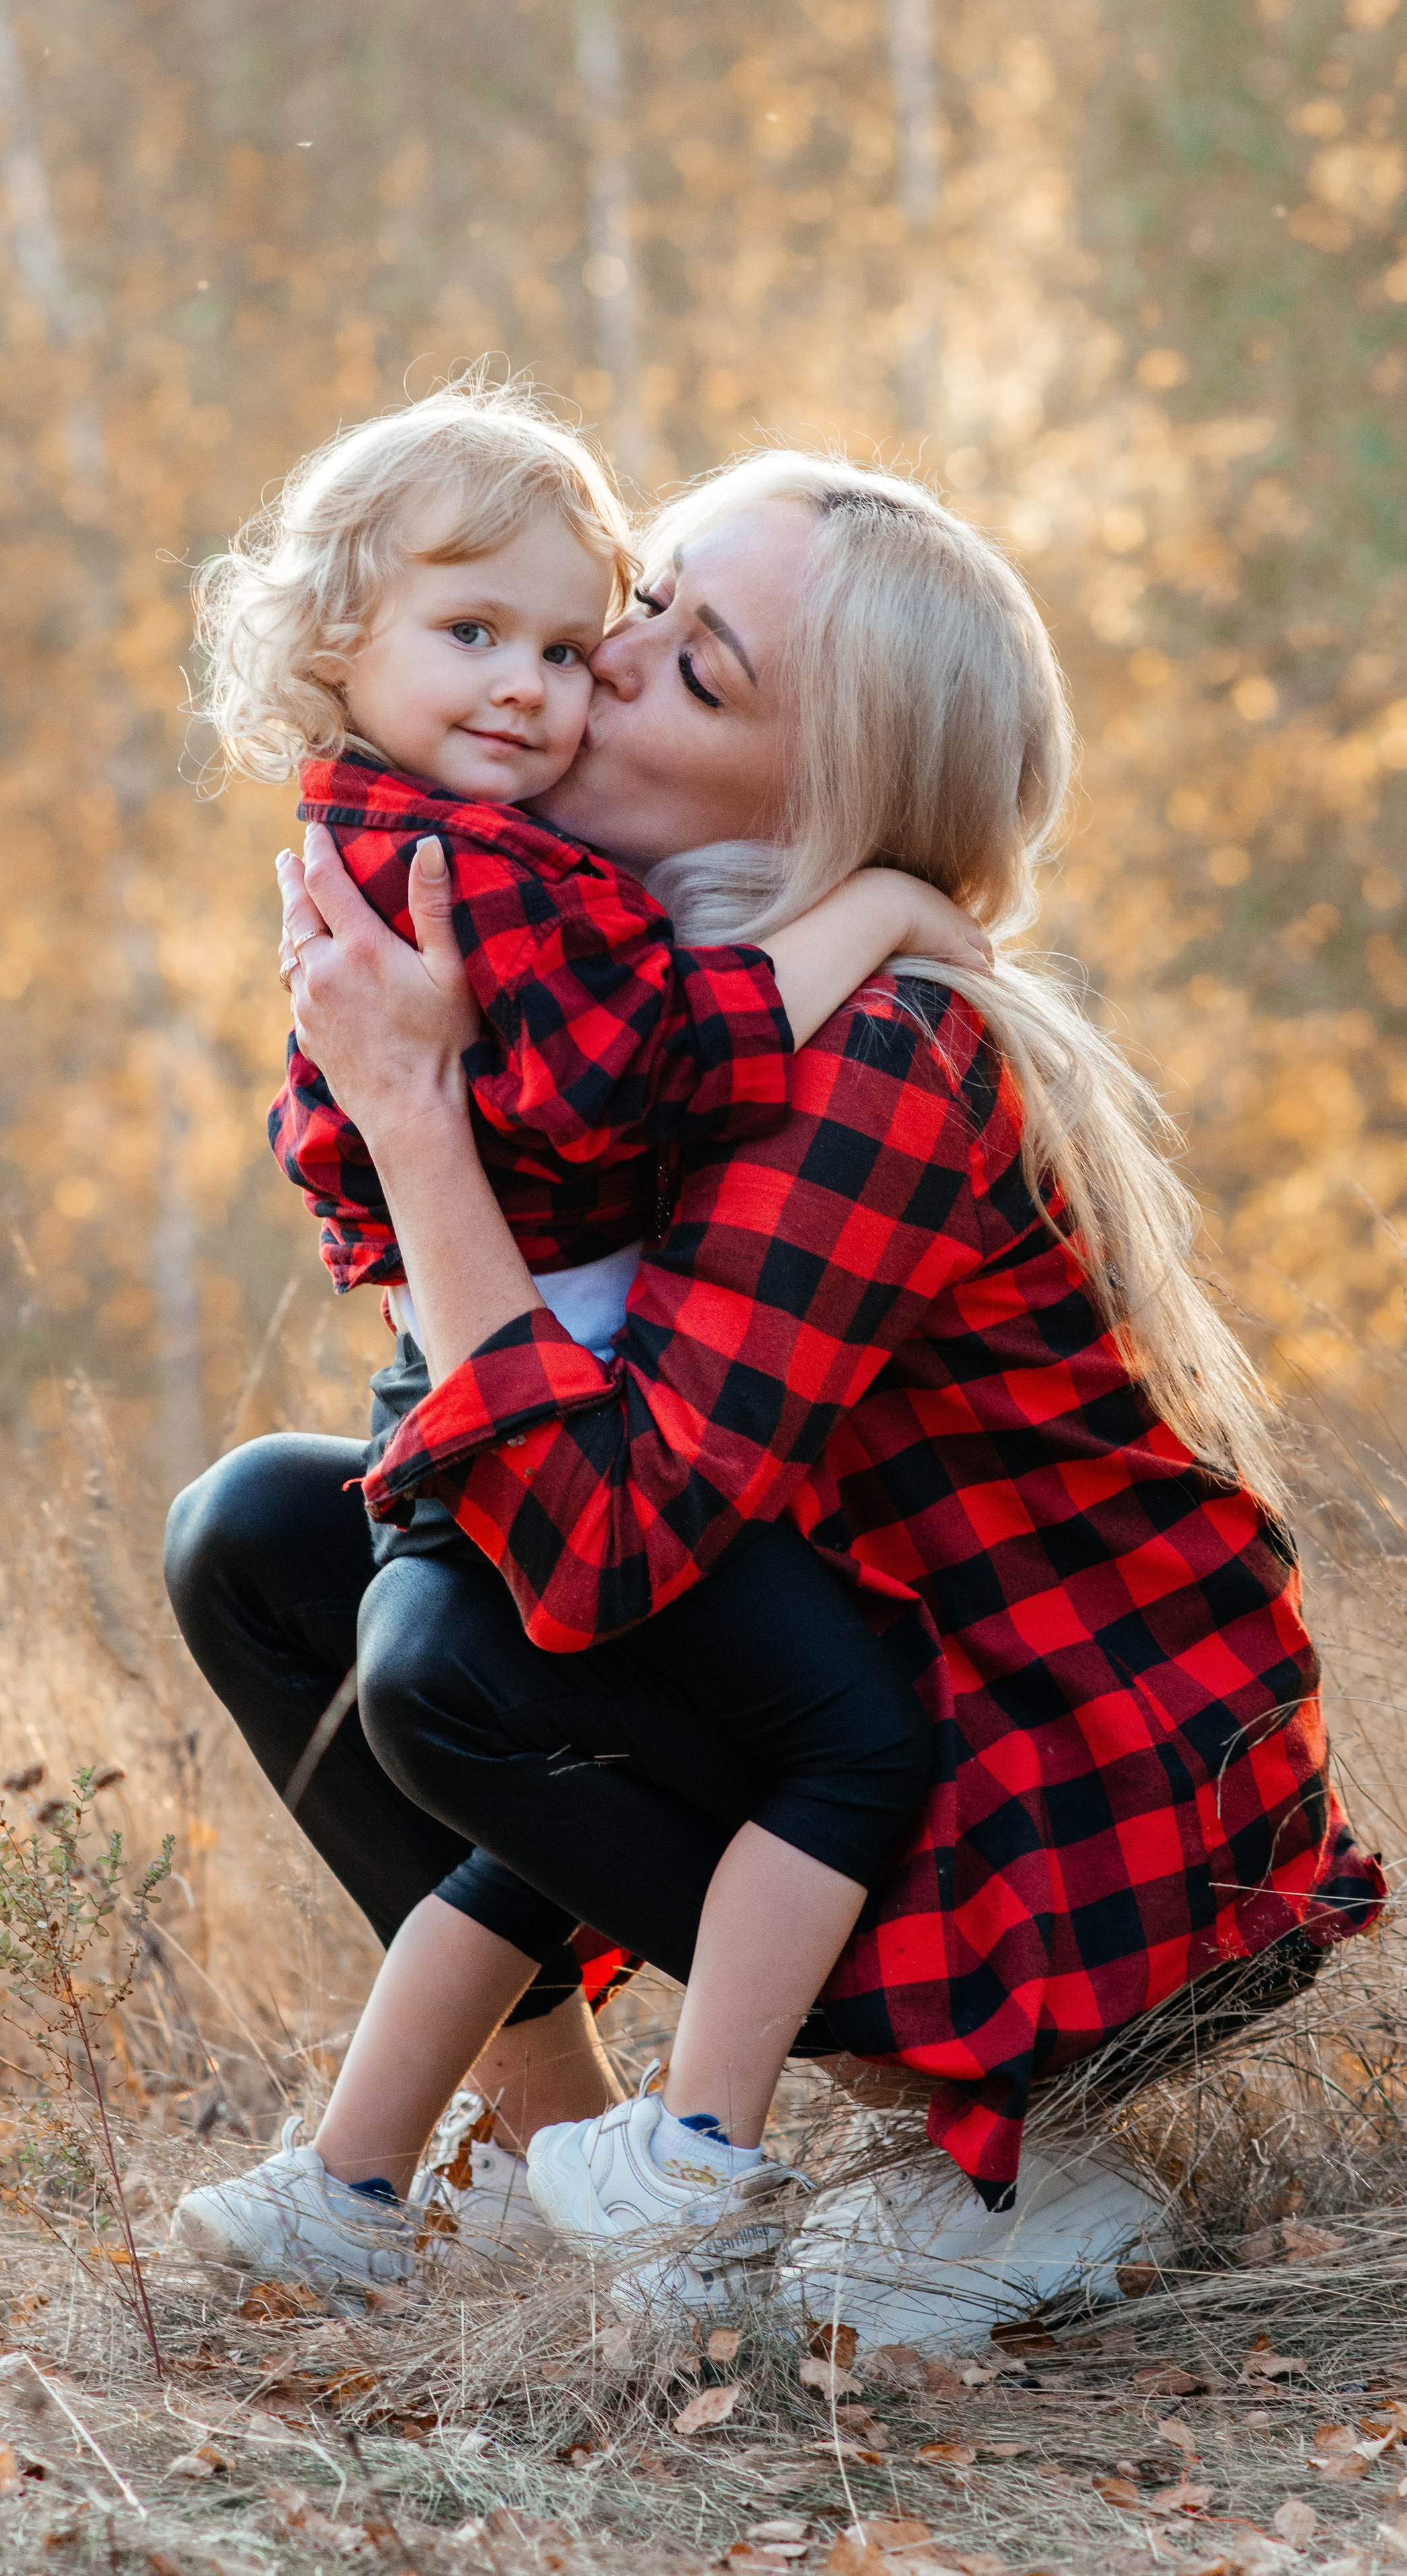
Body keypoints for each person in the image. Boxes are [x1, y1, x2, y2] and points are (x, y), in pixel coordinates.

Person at [166, 449, 1386, 2338]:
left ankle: (970, 2151)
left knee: (452, 1656)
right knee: (261, 1537)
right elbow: (495, 1410)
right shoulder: (615, 974)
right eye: (637, 607)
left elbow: (595, 1550)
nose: (595, 670)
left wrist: (415, 1118)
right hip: (876, 1689)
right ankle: (514, 2168)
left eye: (691, 667)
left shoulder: (868, 1051)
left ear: (821, 800)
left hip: (1081, 1838)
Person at [174, 392, 990, 2298]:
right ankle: (657, 2158)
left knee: (496, 1693)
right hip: (543, 1398)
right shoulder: (484, 871)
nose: (555, 686)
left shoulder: (435, 833)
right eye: (483, 639)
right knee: (778, 1721)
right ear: (331, 648)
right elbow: (654, 1067)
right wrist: (877, 903)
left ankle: (371, 2182)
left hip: (550, 1407)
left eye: (582, 639)